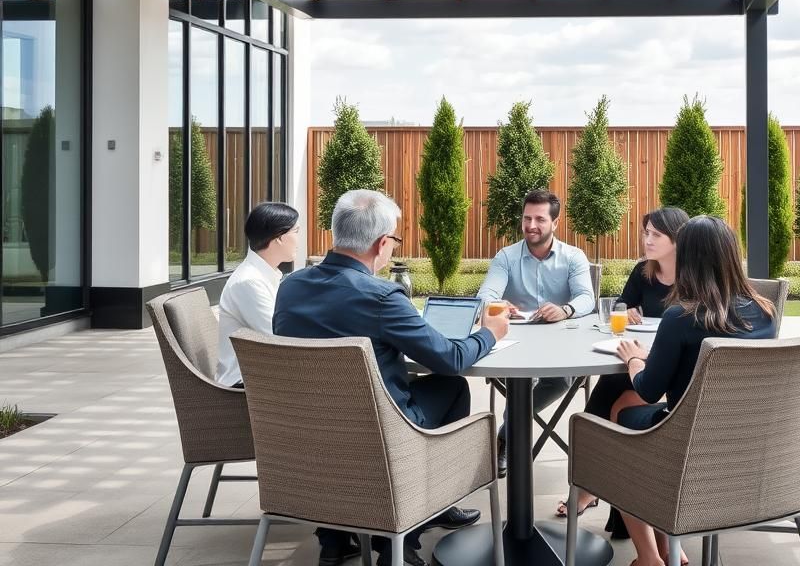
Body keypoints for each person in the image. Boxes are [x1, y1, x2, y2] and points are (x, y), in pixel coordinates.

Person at [274, 189, 509, 566]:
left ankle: (333, 541)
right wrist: (490, 332)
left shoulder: (290, 287)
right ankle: (404, 539)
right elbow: (450, 358)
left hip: (308, 433)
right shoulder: (382, 297)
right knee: (450, 386)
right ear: (382, 244)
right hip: (379, 436)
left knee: (347, 407)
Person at [611, 215, 776, 566]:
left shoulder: (681, 316)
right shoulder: (764, 313)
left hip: (687, 438)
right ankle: (672, 548)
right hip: (744, 438)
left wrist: (634, 359)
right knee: (627, 403)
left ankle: (650, 557)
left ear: (688, 259)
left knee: (619, 419)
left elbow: (650, 390)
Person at [556, 206, 688, 519]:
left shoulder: (693, 278)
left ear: (677, 239)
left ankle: (590, 487)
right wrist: (626, 310)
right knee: (612, 383)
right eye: (647, 232)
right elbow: (620, 303)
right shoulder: (644, 271)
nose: (648, 239)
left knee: (612, 393)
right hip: (641, 354)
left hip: (672, 369)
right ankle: (590, 485)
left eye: (656, 234)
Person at [476, 188, 595, 476]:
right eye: (527, 218)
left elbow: (586, 298)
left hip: (560, 343)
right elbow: (485, 294)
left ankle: (505, 435)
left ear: (555, 222)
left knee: (561, 381)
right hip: (515, 343)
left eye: (540, 219)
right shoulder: (506, 256)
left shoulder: (573, 257)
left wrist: (565, 310)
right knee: (519, 383)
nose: (531, 226)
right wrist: (496, 303)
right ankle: (510, 435)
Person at [215, 201, 300, 387]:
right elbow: (278, 337)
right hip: (245, 383)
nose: (298, 240)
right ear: (279, 237)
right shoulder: (249, 282)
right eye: (296, 232)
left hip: (261, 374)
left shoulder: (262, 275)